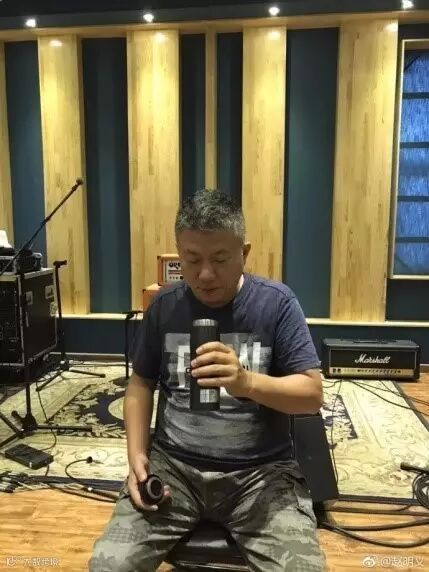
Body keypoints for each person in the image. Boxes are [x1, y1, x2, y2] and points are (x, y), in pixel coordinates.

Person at [89, 189, 326, 571]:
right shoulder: (164, 306)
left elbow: (312, 394)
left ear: (244, 253)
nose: (204, 274)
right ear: (178, 254)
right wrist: (136, 457)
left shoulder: (277, 304)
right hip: (175, 469)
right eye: (192, 259)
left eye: (219, 259)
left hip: (261, 475)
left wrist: (246, 383)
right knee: (109, 566)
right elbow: (140, 384)